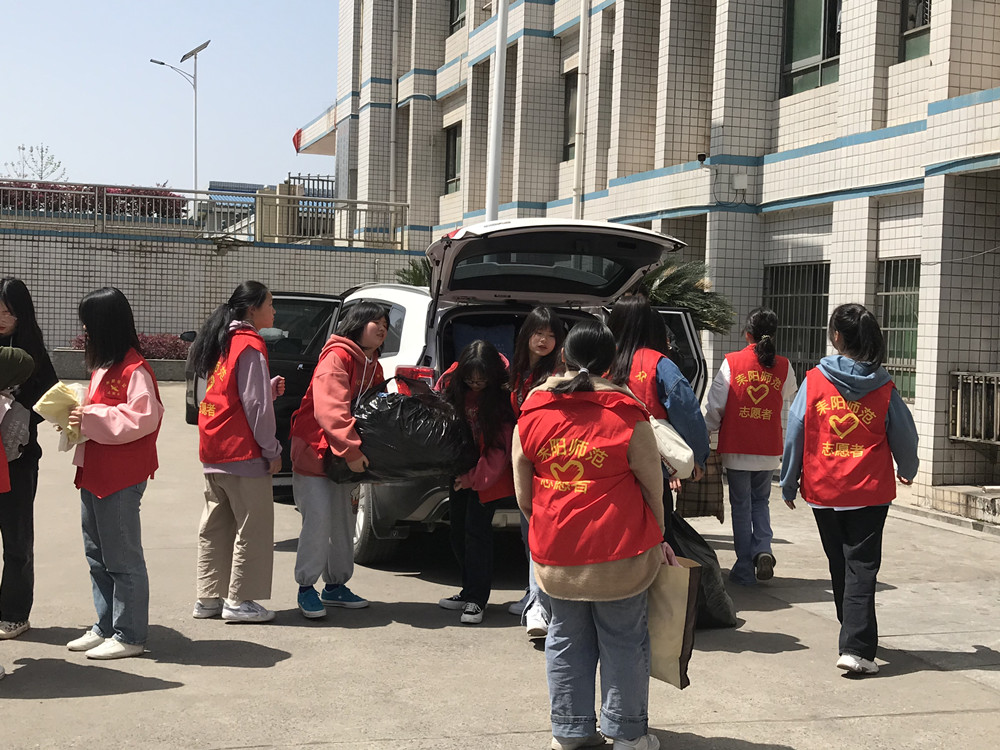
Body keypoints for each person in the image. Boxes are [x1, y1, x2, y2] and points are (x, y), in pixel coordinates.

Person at [514, 320, 665, 750]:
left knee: (564, 640)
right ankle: (627, 734)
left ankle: (570, 732)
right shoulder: (627, 413)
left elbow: (524, 494)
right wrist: (657, 529)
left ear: (562, 356)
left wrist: (550, 518)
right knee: (624, 640)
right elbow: (652, 485)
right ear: (613, 361)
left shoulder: (533, 412)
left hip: (557, 551)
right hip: (621, 550)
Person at [780, 303, 918, 676]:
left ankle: (851, 636)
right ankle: (856, 646)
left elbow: (795, 431)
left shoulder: (814, 380)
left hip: (824, 489)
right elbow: (904, 432)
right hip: (868, 491)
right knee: (861, 566)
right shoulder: (884, 385)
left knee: (841, 564)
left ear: (837, 336)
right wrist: (909, 467)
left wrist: (789, 480)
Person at [64, 287, 164, 659]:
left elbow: (143, 418)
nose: (86, 332)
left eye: (89, 324)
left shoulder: (135, 369)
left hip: (120, 475)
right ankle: (106, 624)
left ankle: (129, 633)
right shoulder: (105, 366)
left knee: (122, 557)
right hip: (95, 469)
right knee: (97, 554)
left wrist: (88, 417)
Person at [189, 281, 285, 623]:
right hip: (243, 453)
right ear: (251, 309)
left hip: (213, 449)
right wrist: (271, 449)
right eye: (270, 304)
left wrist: (266, 389)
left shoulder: (221, 341)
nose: (274, 310)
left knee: (215, 525)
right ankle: (240, 600)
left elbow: (227, 395)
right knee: (252, 526)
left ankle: (208, 598)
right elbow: (256, 405)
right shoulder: (251, 344)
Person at [289, 301, 387, 618]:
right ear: (357, 324)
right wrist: (354, 451)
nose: (383, 327)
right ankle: (306, 588)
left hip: (342, 458)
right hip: (316, 451)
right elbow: (330, 411)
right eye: (375, 322)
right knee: (318, 522)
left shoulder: (373, 363)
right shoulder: (337, 356)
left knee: (343, 522)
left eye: (385, 323)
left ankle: (335, 586)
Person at [607, 294, 710, 551]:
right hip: (652, 464)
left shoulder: (602, 361)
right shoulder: (660, 364)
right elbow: (687, 411)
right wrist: (697, 456)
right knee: (657, 529)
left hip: (605, 462)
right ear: (649, 323)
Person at [702, 308, 798, 585]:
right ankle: (763, 549)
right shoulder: (784, 365)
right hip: (768, 448)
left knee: (741, 505)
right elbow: (789, 392)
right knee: (761, 502)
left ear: (747, 334)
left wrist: (705, 433)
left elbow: (715, 405)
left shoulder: (732, 362)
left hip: (737, 447)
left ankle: (744, 565)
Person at [436, 340, 516, 625]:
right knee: (457, 532)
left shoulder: (502, 402)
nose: (476, 382)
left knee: (477, 535)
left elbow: (499, 451)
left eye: (483, 378)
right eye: (471, 377)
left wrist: (471, 479)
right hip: (460, 472)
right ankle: (468, 590)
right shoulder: (454, 387)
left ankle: (477, 600)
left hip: (487, 479)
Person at [0, 278, 57, 641]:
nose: (2, 318)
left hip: (19, 459)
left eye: (8, 312)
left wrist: (16, 406)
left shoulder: (33, 351)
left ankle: (15, 612)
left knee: (17, 538)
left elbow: (51, 400)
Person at [508, 306, 565, 636]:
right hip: (524, 460)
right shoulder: (516, 371)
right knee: (528, 532)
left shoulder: (557, 373)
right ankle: (535, 594)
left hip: (550, 463)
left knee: (540, 534)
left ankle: (540, 606)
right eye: (538, 333)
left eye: (551, 334)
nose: (544, 340)